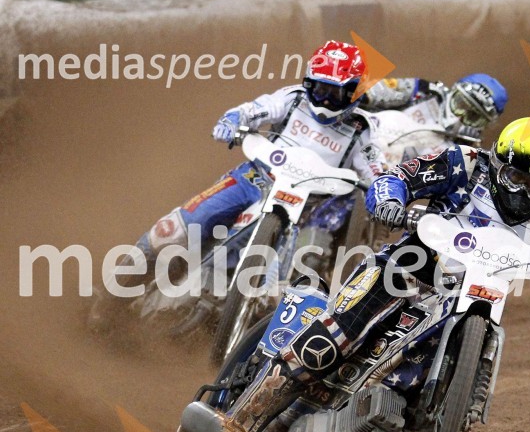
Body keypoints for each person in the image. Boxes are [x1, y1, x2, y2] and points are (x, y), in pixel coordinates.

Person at [207, 117, 530, 432]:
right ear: (497, 164)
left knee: (471, 356)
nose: (525, 192)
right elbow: (397, 177)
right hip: (404, 269)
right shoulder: (462, 163)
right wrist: (388, 200)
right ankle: (237, 429)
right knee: (330, 343)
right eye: (516, 178)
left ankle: (410, 430)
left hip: (466, 302)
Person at [88, 40, 388, 329]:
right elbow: (255, 109)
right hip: (253, 179)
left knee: (280, 293)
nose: (324, 101)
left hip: (305, 209)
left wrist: (385, 195)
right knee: (173, 230)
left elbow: (377, 171)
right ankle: (109, 298)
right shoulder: (293, 98)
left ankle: (238, 334)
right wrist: (231, 121)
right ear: (309, 83)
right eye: (320, 89)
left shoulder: (363, 131)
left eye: (335, 94)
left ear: (354, 93)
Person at [362, 73, 508, 145]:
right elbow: (379, 90)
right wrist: (363, 95)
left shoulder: (467, 152)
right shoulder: (423, 91)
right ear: (453, 91)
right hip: (361, 141)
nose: (461, 118)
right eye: (461, 104)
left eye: (474, 117)